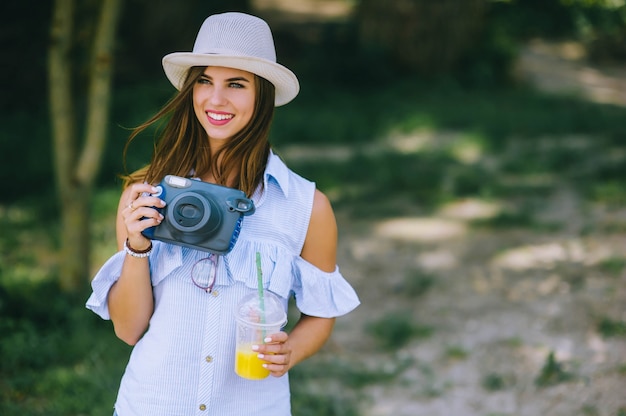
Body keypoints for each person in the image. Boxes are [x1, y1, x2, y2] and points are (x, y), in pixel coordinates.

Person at [86, 11, 360, 416]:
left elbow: (321, 315)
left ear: (261, 95)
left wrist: (292, 351)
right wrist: (137, 246)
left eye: (236, 84)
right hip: (153, 404)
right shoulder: (145, 195)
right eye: (204, 81)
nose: (216, 99)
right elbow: (128, 331)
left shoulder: (306, 206)